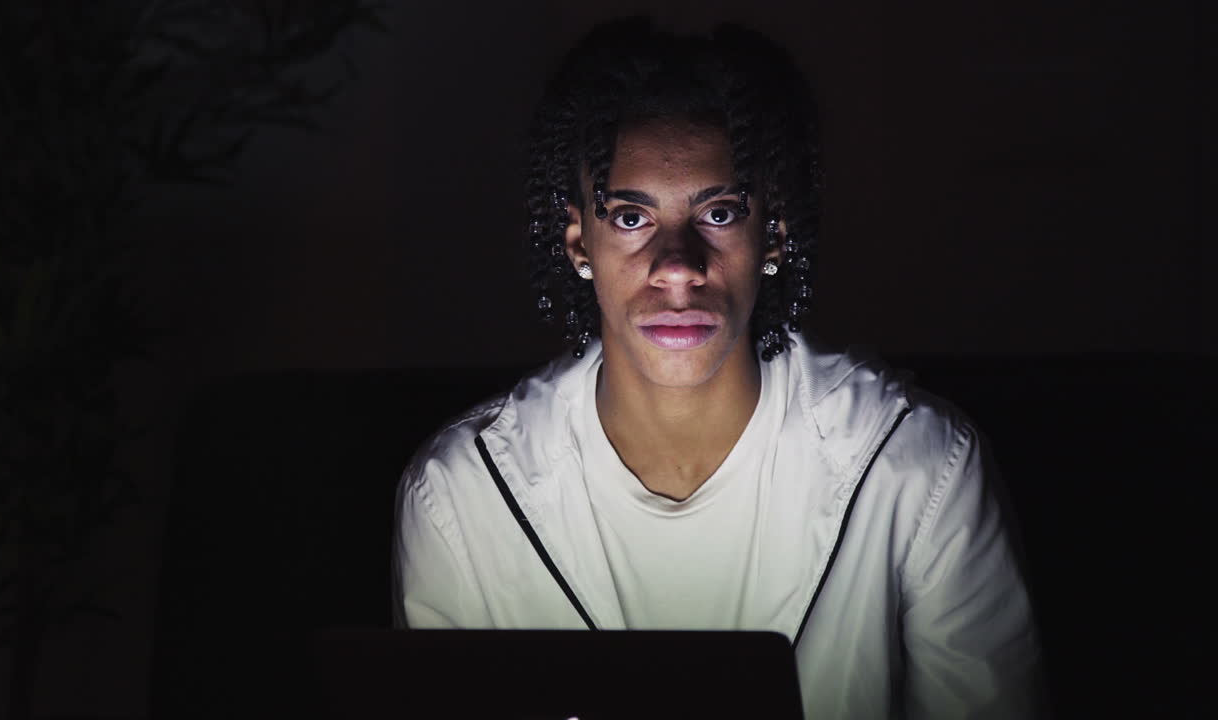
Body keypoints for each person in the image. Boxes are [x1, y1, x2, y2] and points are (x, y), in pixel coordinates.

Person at [392, 16, 1051, 720]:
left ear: (775, 230)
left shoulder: (916, 468)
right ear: (578, 239)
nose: (678, 266)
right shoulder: (462, 497)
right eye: (629, 217)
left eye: (721, 211)